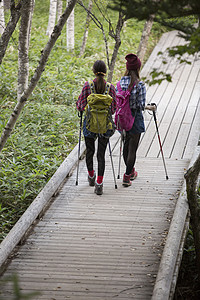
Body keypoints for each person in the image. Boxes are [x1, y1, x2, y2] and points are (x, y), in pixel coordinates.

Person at [76, 60, 116, 195]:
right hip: (105, 126)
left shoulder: (88, 86)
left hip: (89, 125)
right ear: (105, 71)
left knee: (90, 152)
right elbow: (114, 108)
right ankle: (99, 184)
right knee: (101, 155)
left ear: (93, 70)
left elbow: (80, 105)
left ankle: (91, 176)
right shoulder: (110, 87)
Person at [116, 53, 153, 187]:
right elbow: (140, 105)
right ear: (137, 68)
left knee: (126, 146)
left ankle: (130, 172)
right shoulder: (140, 84)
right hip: (135, 117)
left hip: (122, 118)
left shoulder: (119, 83)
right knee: (133, 149)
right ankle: (127, 177)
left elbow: (116, 101)